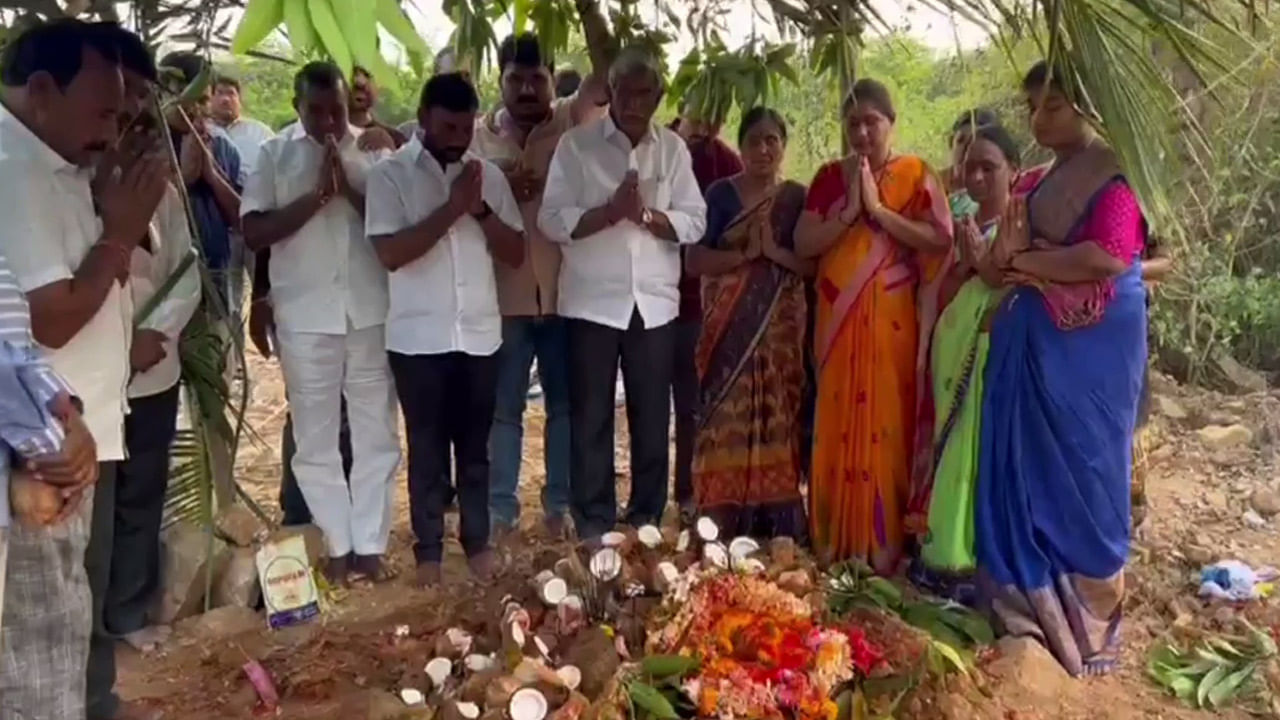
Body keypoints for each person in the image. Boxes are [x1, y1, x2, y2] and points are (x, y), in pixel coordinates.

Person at [0, 19, 169, 720]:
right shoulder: (15, 172)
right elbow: (47, 318)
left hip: (74, 427)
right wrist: (121, 232)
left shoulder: (53, 159)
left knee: (75, 608)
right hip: (42, 451)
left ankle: (94, 704)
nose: (113, 128)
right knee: (41, 632)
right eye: (104, 111)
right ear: (42, 91)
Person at [974, 61, 1148, 677]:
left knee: (1088, 460)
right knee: (1029, 468)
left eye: (1051, 106)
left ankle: (1090, 613)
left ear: (1086, 107)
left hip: (1092, 351)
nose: (1037, 118)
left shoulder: (1111, 174)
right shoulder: (1040, 180)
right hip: (1032, 349)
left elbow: (1107, 257)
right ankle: (1026, 608)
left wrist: (1030, 259)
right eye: (1031, 107)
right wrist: (1001, 254)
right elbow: (1001, 264)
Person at [242, 61, 401, 584]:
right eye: (317, 110)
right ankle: (336, 544)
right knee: (315, 438)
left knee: (376, 429)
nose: (329, 120)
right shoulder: (273, 154)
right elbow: (255, 230)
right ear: (297, 106)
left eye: (336, 109)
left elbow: (391, 223)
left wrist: (348, 187)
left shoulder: (373, 150)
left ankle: (371, 546)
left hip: (369, 310)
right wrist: (317, 198)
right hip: (305, 314)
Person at [539, 47, 707, 543]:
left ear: (659, 96)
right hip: (591, 303)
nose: (636, 101)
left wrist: (650, 217)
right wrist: (609, 213)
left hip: (653, 305)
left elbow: (695, 221)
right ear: (609, 92)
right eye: (626, 91)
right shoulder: (576, 146)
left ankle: (646, 520)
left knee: (652, 415)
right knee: (590, 416)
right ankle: (594, 521)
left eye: (646, 92)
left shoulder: (673, 150)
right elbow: (551, 219)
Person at [366, 72, 524, 586]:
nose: (460, 137)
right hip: (418, 340)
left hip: (479, 334)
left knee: (475, 449)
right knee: (427, 450)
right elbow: (391, 253)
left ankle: (477, 542)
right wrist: (451, 207)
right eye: (450, 126)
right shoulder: (390, 176)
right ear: (425, 117)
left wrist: (477, 208)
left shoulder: (488, 179)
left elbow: (516, 253)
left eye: (466, 127)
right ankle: (428, 552)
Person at [794, 78, 952, 572]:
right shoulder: (827, 177)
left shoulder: (916, 174)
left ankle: (884, 548)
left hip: (892, 324)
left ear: (892, 122)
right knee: (836, 421)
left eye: (872, 122)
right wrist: (848, 213)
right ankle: (832, 541)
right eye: (853, 122)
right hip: (838, 324)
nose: (862, 131)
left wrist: (880, 212)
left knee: (887, 424)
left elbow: (939, 239)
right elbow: (803, 243)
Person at [471, 32, 607, 539]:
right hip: (502, 299)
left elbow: (605, 74)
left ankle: (558, 507)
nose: (527, 88)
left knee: (564, 408)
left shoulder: (571, 120)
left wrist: (592, 18)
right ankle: (501, 511)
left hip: (565, 297)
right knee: (503, 411)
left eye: (537, 78)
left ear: (553, 79)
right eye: (516, 79)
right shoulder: (479, 137)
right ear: (500, 80)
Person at [94, 29, 202, 655]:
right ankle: (91, 629)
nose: (130, 119)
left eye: (139, 105)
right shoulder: (73, 183)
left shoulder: (161, 189)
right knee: (95, 510)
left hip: (153, 367)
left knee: (141, 493)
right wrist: (117, 344)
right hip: (89, 378)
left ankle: (128, 614)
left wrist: (155, 334)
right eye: (119, 104)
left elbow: (187, 271)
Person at [685, 107, 810, 538]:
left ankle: (777, 526)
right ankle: (717, 522)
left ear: (783, 146)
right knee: (722, 417)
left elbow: (812, 266)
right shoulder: (721, 195)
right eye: (754, 140)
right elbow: (695, 259)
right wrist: (744, 257)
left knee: (779, 416)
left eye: (772, 140)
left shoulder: (796, 198)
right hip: (726, 330)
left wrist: (773, 253)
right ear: (740, 146)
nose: (763, 149)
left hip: (780, 334)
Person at [911, 123, 1020, 601]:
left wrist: (983, 262)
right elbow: (935, 284)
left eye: (988, 167)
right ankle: (941, 555)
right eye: (969, 167)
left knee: (979, 449)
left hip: (991, 347)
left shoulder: (1025, 223)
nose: (976, 177)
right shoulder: (957, 222)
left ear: (1013, 170)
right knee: (947, 447)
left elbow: (1015, 284)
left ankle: (971, 558)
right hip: (951, 343)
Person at [670, 102, 743, 522]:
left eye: (715, 117)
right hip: (652, 300)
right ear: (682, 108)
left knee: (691, 405)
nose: (707, 124)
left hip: (700, 305)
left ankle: (688, 493)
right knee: (646, 408)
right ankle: (642, 503)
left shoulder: (726, 161)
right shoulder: (657, 147)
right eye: (700, 114)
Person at [158, 52, 242, 313]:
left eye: (205, 100)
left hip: (213, 276)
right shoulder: (145, 142)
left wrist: (211, 174)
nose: (199, 109)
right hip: (162, 283)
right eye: (193, 99)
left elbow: (241, 219)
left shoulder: (221, 146)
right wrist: (183, 176)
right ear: (167, 92)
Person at [210, 73, 274, 185]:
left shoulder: (260, 132)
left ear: (240, 101)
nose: (225, 99)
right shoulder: (203, 130)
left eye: (231, 94)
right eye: (219, 93)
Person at [942, 107, 999, 195]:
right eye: (960, 141)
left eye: (974, 141)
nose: (965, 149)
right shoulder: (930, 185)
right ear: (951, 143)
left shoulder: (997, 192)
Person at [350, 66, 408, 148]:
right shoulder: (329, 136)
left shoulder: (395, 138)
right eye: (351, 75)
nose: (360, 82)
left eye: (367, 75)